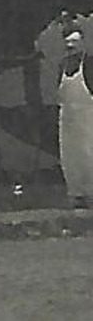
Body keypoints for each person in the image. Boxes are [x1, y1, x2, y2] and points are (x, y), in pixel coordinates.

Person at [58, 31, 93, 209]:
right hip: (68, 122)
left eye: (74, 45)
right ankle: (75, 193)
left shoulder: (89, 65)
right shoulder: (62, 67)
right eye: (68, 45)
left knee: (89, 155)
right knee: (70, 157)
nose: (71, 49)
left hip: (88, 119)